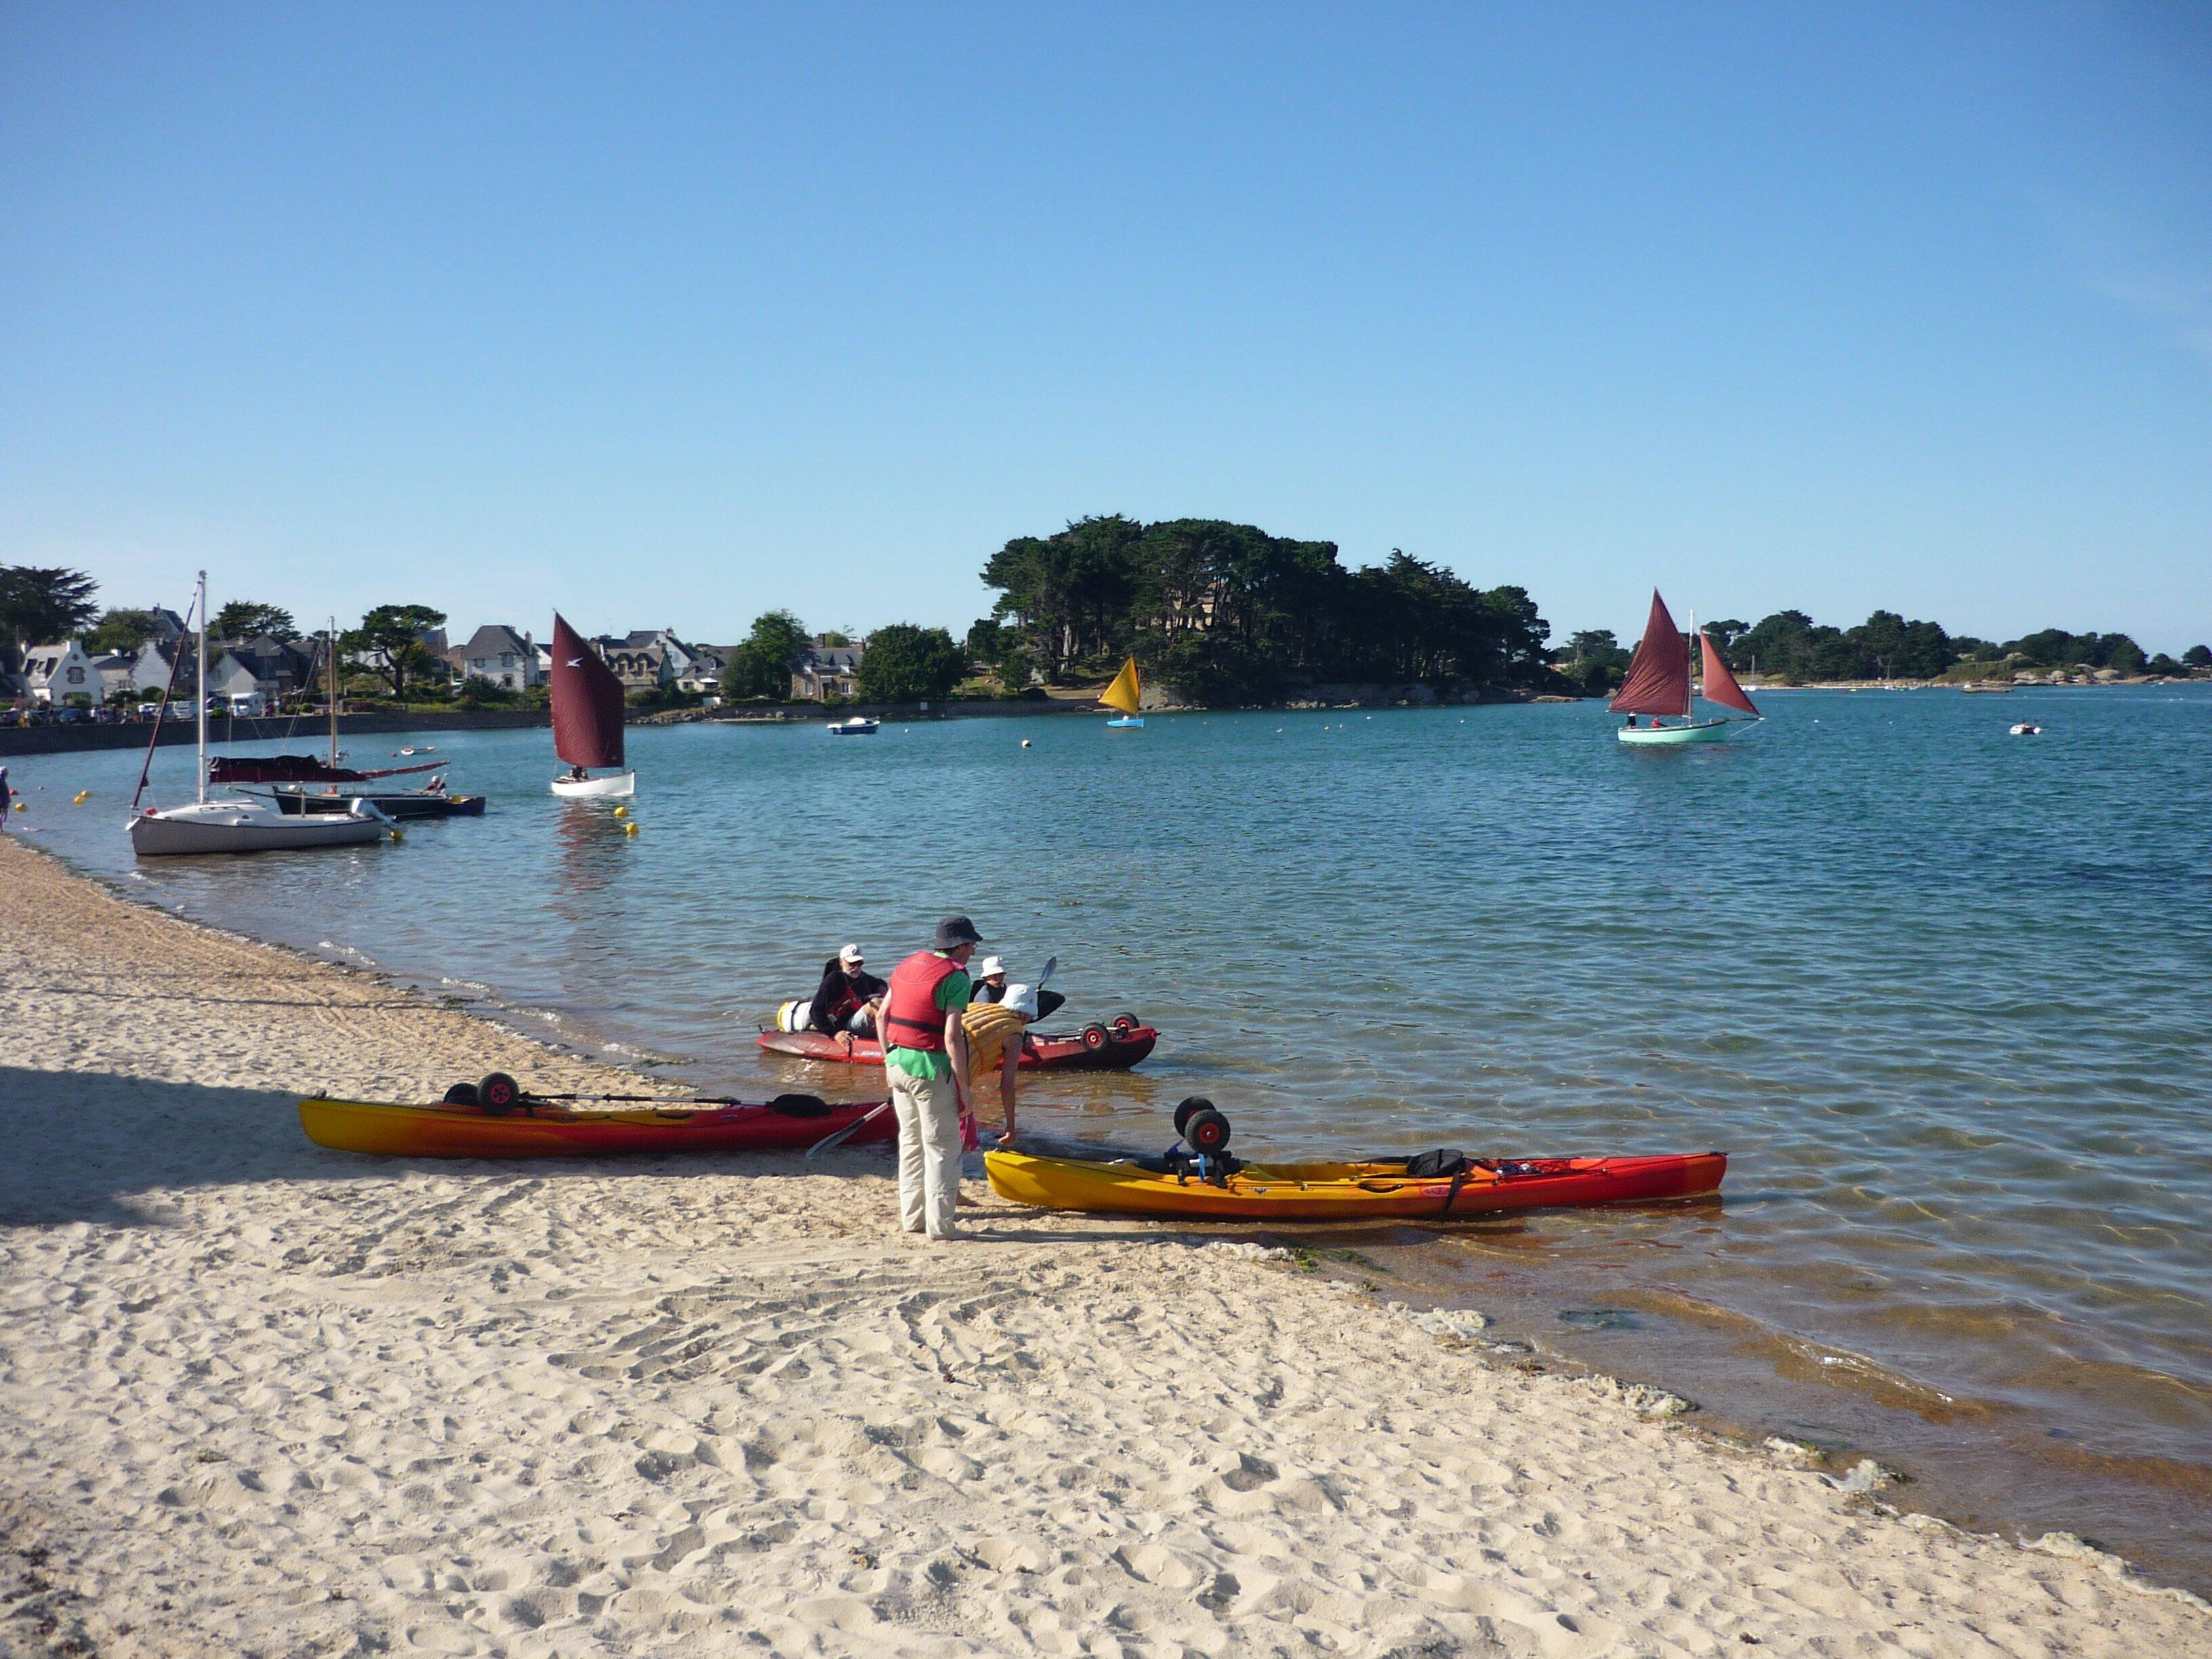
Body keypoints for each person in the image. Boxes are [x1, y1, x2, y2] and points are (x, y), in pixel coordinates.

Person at [880, 916, 982, 1241]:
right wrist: (964, 1087)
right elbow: (952, 1037)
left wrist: (888, 1059)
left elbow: (882, 1016)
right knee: (942, 1148)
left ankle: (913, 1219)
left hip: (897, 1062)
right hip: (930, 1069)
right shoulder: (957, 977)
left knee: (910, 1143)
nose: (974, 952)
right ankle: (941, 1227)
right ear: (961, 947)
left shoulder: (907, 965)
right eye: (972, 945)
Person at [960, 983, 1036, 1149]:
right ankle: (966, 1171)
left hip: (924, 1058)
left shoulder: (976, 1006)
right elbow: (1007, 1085)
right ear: (1027, 1017)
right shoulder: (1015, 1035)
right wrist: (1010, 1127)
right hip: (953, 1077)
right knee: (968, 1140)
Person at [808, 943, 886, 1037]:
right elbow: (815, 1011)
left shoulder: (862, 977)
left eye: (859, 963)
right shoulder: (834, 979)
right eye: (852, 964)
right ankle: (887, 1043)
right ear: (841, 962)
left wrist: (883, 989)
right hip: (844, 1025)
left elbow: (878, 983)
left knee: (887, 998)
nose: (856, 967)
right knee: (875, 1004)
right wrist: (835, 1033)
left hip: (858, 1020)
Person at [970, 955, 1065, 1020]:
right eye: (995, 975)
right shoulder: (984, 995)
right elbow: (987, 1020)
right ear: (986, 977)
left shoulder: (1005, 989)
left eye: (1001, 974)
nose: (999, 978)